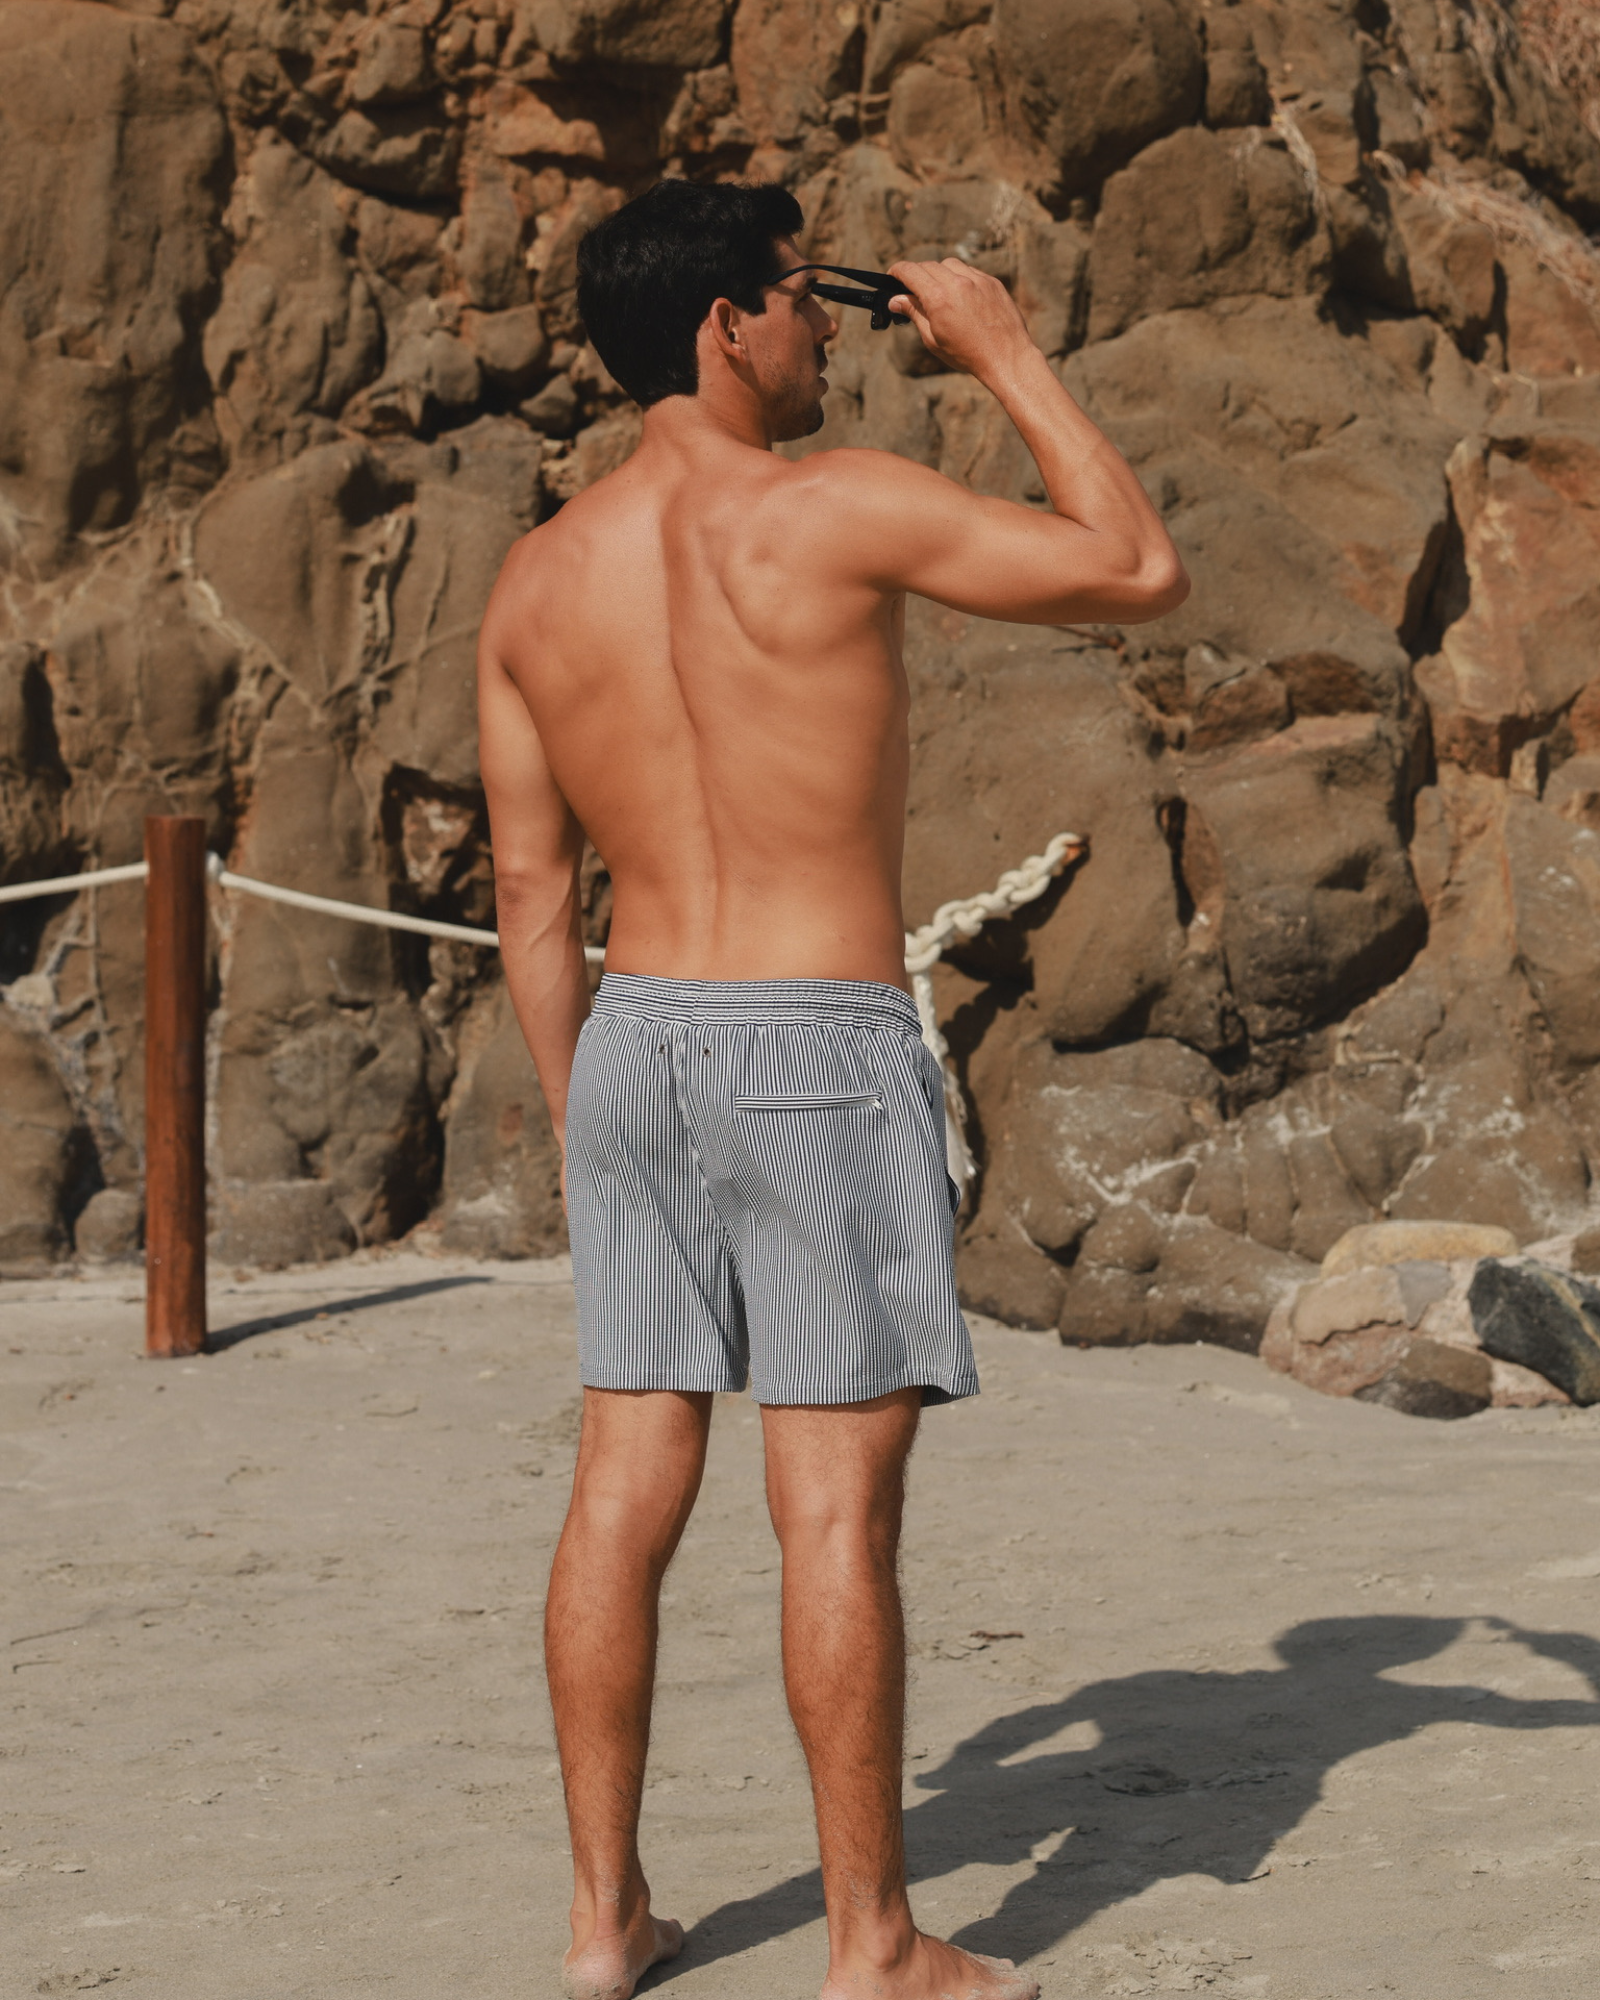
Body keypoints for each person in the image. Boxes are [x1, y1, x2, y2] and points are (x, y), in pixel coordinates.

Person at [476, 177, 1188, 2000]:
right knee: (830, 1511)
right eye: (802, 301)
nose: (824, 334)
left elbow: (533, 898)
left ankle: (599, 1923)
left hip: (636, 1035)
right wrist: (1008, 351)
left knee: (625, 1484)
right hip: (812, 1032)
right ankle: (871, 1944)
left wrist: (586, 1120)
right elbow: (1133, 568)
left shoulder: (537, 577)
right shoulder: (834, 509)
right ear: (726, 324)